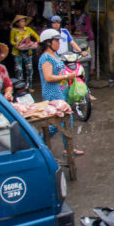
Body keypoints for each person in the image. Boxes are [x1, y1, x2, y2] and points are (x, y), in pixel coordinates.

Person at [38, 28, 83, 156]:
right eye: (56, 41)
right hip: (52, 94)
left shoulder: (55, 55)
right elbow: (48, 77)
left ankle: (67, 149)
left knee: (68, 120)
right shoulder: (46, 58)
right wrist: (66, 77)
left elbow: (60, 71)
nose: (58, 43)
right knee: (55, 124)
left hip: (61, 92)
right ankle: (38, 144)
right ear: (48, 43)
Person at [9, 15, 39, 90]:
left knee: (29, 69)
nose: (23, 23)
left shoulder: (28, 29)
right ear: (17, 23)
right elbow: (11, 41)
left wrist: (35, 43)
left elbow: (36, 36)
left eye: (24, 21)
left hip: (28, 52)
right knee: (19, 70)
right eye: (21, 21)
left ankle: (29, 87)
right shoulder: (14, 31)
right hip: (17, 52)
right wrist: (16, 45)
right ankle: (20, 87)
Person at [72, 4, 95, 78]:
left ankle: (92, 68)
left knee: (91, 53)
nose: (75, 12)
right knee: (83, 54)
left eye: (77, 11)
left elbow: (88, 26)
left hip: (89, 37)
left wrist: (80, 31)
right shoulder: (76, 17)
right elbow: (75, 25)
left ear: (80, 10)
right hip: (81, 39)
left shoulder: (85, 16)